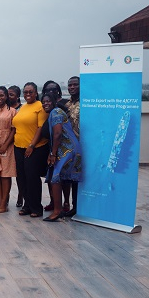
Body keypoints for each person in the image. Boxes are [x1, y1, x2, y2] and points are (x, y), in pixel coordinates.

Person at [41, 92, 82, 221]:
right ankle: (62, 208)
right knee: (59, 177)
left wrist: (53, 154)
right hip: (66, 148)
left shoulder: (56, 113)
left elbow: (57, 134)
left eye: (48, 101)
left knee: (55, 178)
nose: (45, 103)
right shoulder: (55, 112)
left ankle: (57, 211)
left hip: (67, 149)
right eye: (43, 102)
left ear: (54, 102)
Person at [12, 82, 49, 218]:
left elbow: (40, 128)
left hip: (34, 148)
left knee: (32, 178)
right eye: (25, 92)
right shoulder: (23, 107)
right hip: (19, 147)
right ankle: (26, 205)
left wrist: (31, 146)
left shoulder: (40, 106)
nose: (27, 94)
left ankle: (36, 208)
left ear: (36, 93)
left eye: (30, 92)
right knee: (21, 178)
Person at [64, 76, 80, 218]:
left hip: (83, 146)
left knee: (79, 178)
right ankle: (72, 206)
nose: (72, 87)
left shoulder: (86, 104)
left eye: (75, 84)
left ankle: (78, 207)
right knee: (72, 178)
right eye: (70, 85)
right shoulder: (67, 105)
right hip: (68, 147)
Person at [8, 85, 24, 208]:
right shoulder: (5, 108)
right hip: (6, 144)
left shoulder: (22, 109)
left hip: (19, 143)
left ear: (18, 96)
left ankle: (21, 195)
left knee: (20, 172)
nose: (9, 97)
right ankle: (5, 197)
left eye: (11, 94)